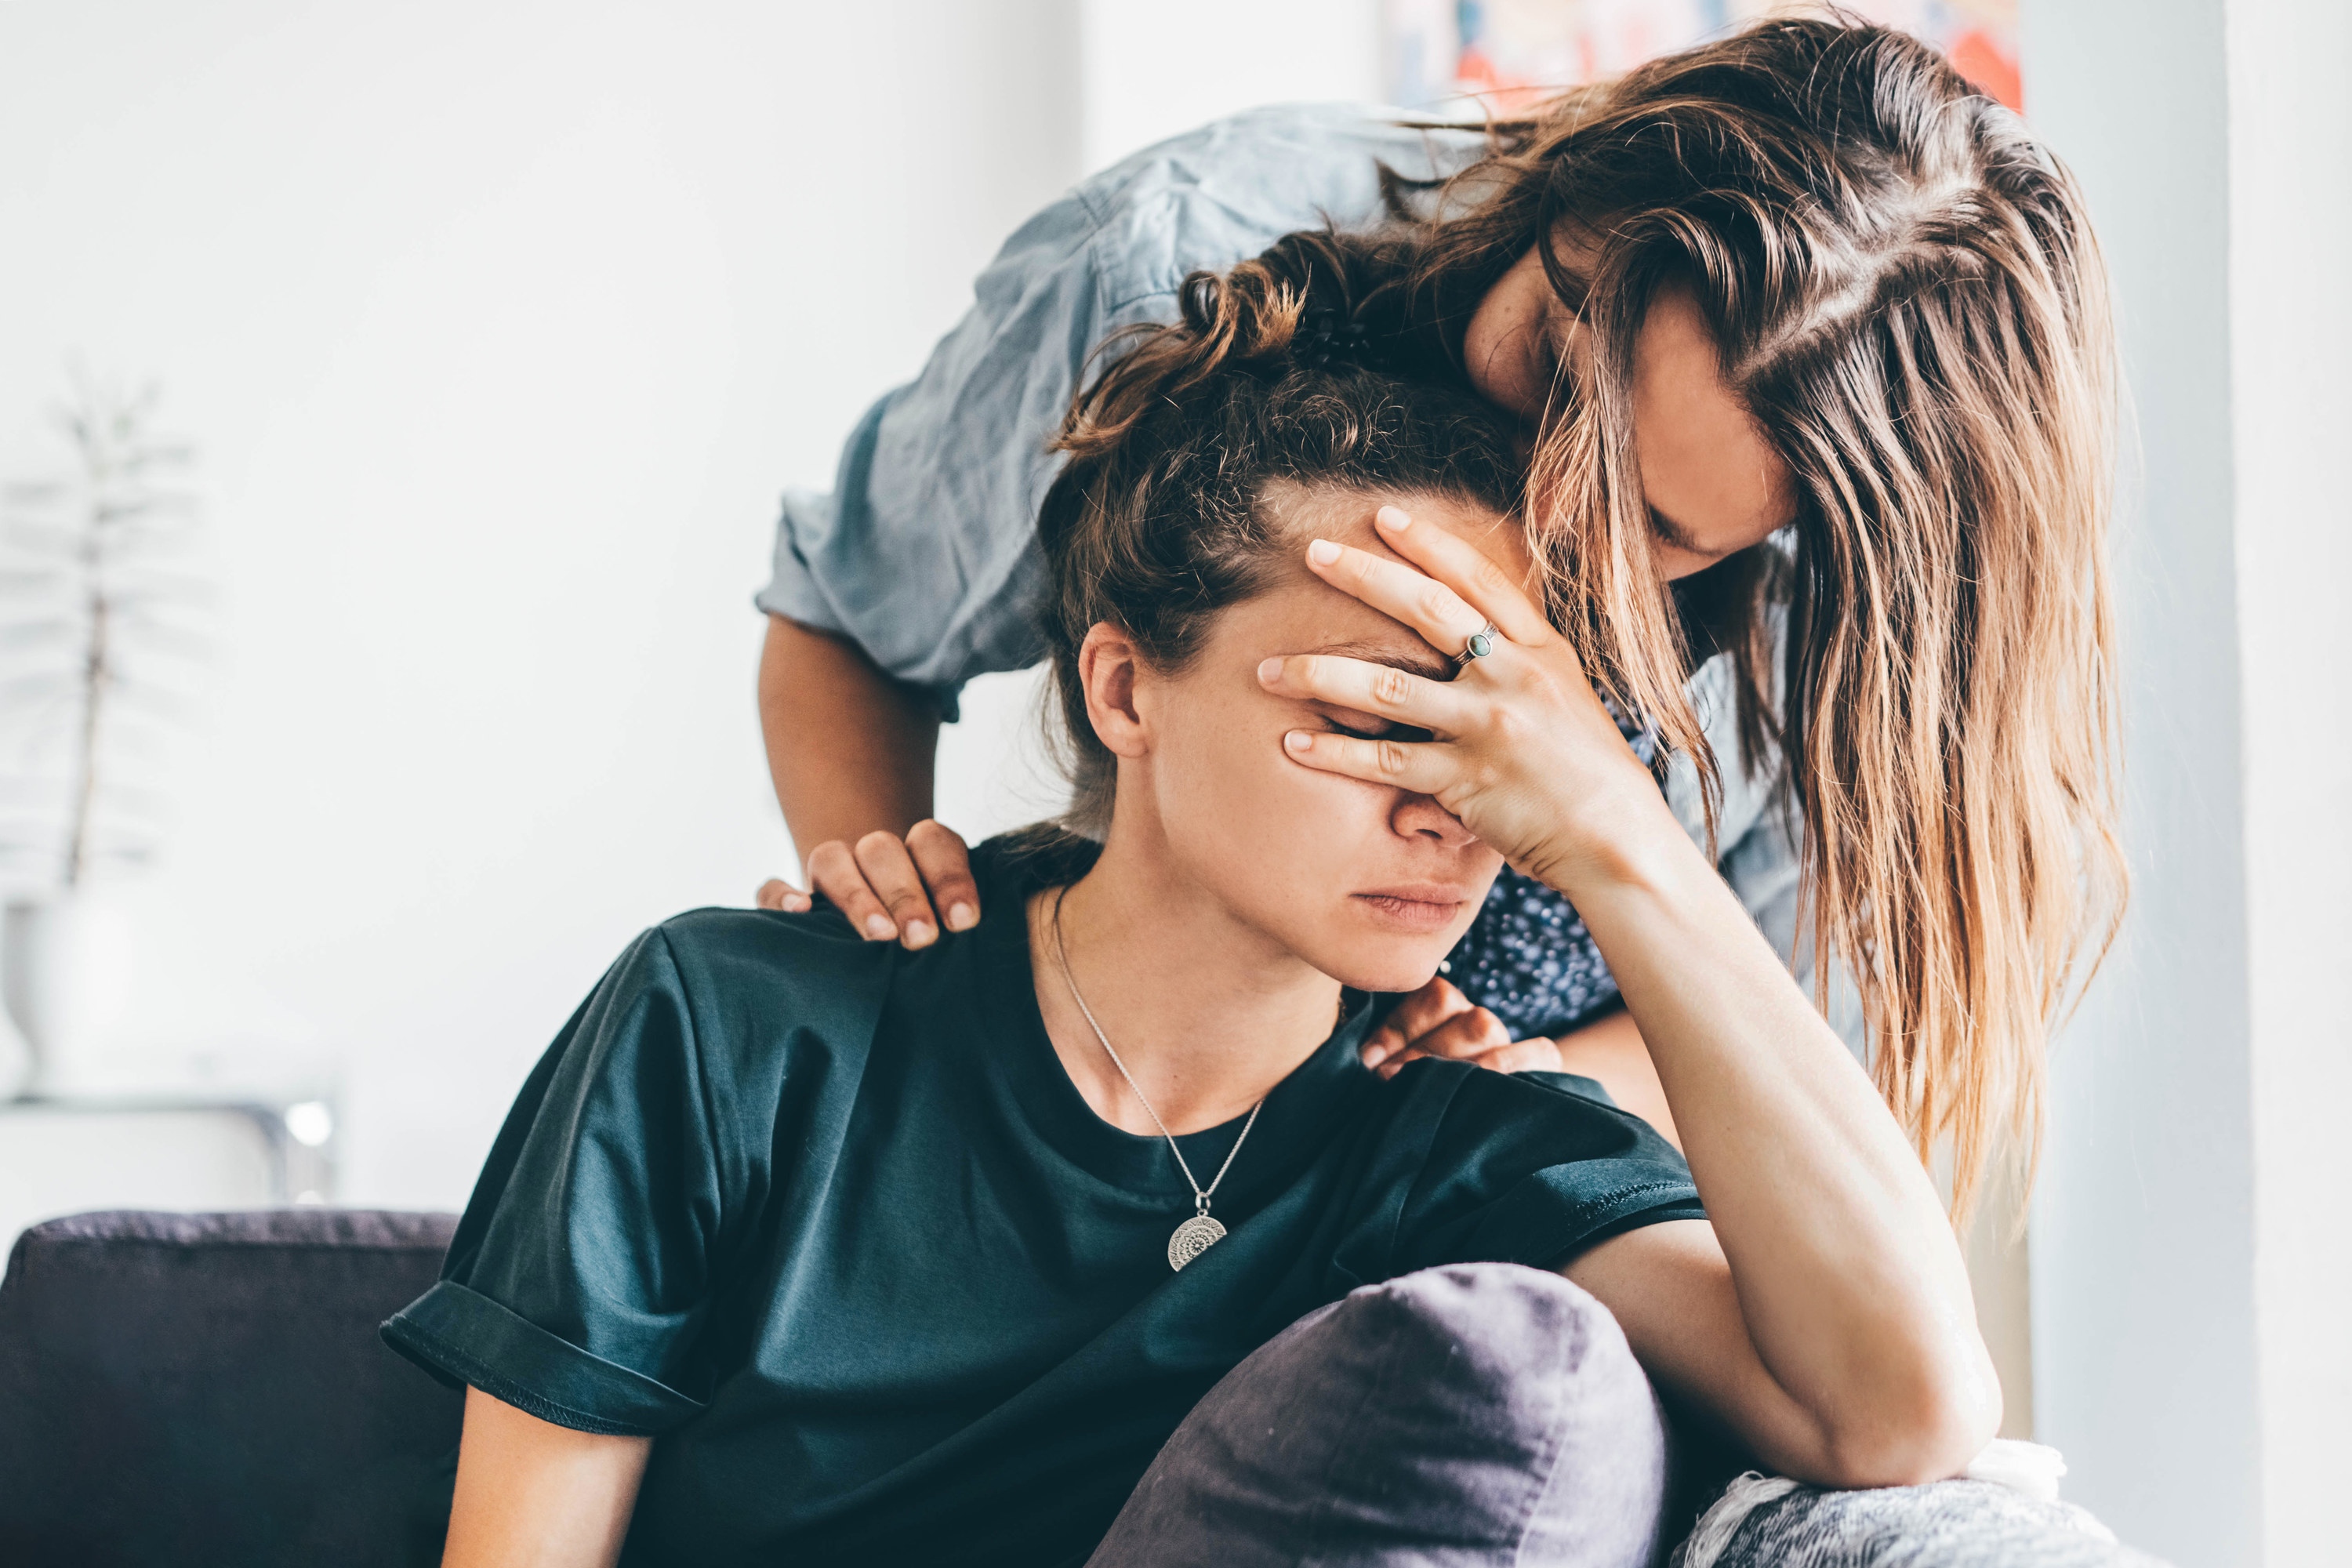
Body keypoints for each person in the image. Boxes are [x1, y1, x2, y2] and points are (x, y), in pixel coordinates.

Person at [387, 247, 1998, 1566]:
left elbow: (1908, 1414)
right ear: (1124, 687)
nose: (1452, 807)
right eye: (1380, 711)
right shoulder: (732, 1023)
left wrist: (1621, 841)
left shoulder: (1456, 1144)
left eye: (1507, 737)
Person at [754, 18, 2124, 1214]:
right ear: (1556, 201)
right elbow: (850, 622)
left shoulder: (1844, 582)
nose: (1540, 521)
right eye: (1546, 371)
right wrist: (901, 940)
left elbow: (1774, 1018)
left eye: (1651, 529)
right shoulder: (1164, 259)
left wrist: (1531, 1090)